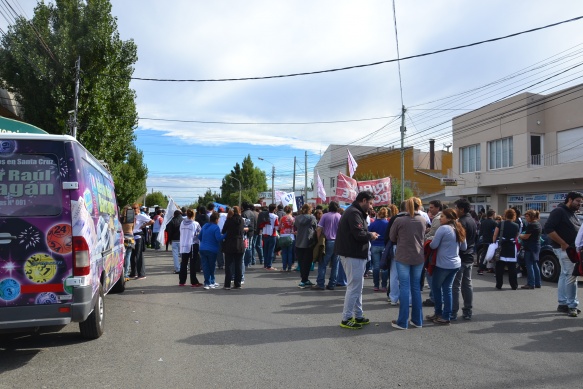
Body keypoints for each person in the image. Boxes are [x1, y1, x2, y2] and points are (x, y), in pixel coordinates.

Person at [334, 191, 379, 329]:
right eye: (370, 203)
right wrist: (370, 235)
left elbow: (359, 231)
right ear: (364, 200)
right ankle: (346, 318)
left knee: (357, 288)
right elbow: (359, 234)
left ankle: (358, 315)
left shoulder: (356, 212)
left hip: (355, 254)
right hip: (352, 254)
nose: (371, 206)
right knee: (354, 287)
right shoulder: (354, 213)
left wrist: (367, 215)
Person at [389, 197, 426, 330]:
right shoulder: (423, 220)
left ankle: (402, 321)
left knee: (404, 287)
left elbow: (392, 237)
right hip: (418, 256)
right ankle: (418, 320)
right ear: (418, 206)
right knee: (416, 288)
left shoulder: (400, 220)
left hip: (403, 255)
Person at [544, 191, 582, 317]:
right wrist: (563, 243)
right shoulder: (559, 211)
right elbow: (548, 229)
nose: (580, 204)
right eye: (578, 201)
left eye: (581, 202)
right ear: (569, 199)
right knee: (572, 276)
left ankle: (563, 303)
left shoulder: (572, 214)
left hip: (570, 249)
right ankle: (572, 305)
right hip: (565, 249)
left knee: (564, 275)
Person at [426, 209, 466, 326]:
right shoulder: (459, 228)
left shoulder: (443, 229)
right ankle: (446, 315)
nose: (440, 218)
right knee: (447, 289)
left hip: (443, 264)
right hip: (455, 263)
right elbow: (464, 247)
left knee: (436, 288)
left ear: (449, 218)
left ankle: (438, 313)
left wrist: (431, 239)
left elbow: (433, 245)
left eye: (442, 216)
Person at [452, 198, 477, 321]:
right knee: (467, 284)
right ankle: (468, 310)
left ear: (461, 209)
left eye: (456, 208)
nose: (455, 210)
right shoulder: (472, 220)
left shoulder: (460, 222)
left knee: (455, 285)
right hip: (470, 256)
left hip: (461, 256)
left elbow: (459, 242)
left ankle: (453, 311)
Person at [313, 201, 341, 290]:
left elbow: (319, 229)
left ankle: (320, 284)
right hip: (337, 242)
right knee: (335, 265)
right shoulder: (340, 216)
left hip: (327, 241)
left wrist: (319, 240)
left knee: (322, 263)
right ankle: (332, 284)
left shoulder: (325, 216)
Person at [492, 209, 521, 290]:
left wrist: (494, 243)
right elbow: (517, 236)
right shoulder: (516, 225)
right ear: (514, 216)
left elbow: (495, 234)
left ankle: (499, 284)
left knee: (499, 268)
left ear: (505, 215)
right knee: (512, 268)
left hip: (501, 246)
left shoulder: (501, 223)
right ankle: (514, 285)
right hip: (511, 247)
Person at [423, 200, 444, 306]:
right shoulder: (438, 219)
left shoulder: (437, 219)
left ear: (438, 208)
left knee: (430, 273)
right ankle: (435, 297)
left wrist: (425, 238)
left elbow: (433, 235)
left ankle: (435, 298)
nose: (430, 210)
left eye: (431, 207)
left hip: (434, 251)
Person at [199, 212, 226, 290]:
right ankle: (211, 281)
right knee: (211, 266)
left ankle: (207, 282)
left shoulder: (204, 226)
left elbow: (200, 237)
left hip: (202, 248)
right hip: (212, 249)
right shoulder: (216, 227)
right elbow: (218, 238)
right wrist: (225, 234)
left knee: (205, 266)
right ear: (216, 219)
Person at [222, 206, 246, 290]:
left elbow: (223, 231)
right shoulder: (242, 220)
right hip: (239, 243)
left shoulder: (229, 220)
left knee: (229, 264)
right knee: (238, 265)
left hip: (229, 243)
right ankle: (238, 283)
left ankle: (227, 284)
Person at [294, 203, 318, 288]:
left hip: (299, 241)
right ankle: (305, 279)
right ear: (309, 209)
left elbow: (296, 226)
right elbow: (316, 227)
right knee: (307, 262)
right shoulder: (312, 218)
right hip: (308, 242)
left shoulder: (297, 218)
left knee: (301, 262)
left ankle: (303, 279)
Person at [178, 209, 203, 287]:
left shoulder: (182, 223)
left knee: (184, 263)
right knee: (193, 264)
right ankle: (193, 281)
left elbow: (180, 231)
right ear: (193, 215)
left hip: (183, 244)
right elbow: (200, 233)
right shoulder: (195, 223)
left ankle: (182, 281)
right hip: (192, 244)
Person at [129, 203, 154, 279]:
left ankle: (142, 273)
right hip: (131, 236)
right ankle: (134, 272)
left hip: (138, 235)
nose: (134, 209)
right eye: (132, 208)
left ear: (138, 208)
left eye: (135, 208)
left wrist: (144, 225)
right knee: (132, 255)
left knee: (138, 254)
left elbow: (152, 221)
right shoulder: (131, 216)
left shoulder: (141, 216)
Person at [519, 210, 542, 289]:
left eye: (527, 216)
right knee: (535, 264)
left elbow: (526, 236)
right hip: (536, 246)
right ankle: (538, 283)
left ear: (532, 216)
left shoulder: (531, 225)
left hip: (530, 247)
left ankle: (531, 284)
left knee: (529, 265)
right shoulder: (538, 224)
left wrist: (519, 235)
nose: (526, 218)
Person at [368, 207, 389, 292]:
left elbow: (368, 233)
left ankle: (376, 285)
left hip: (374, 245)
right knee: (384, 267)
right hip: (384, 245)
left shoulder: (373, 224)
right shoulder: (387, 223)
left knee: (376, 266)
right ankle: (384, 285)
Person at [477, 210, 497, 275]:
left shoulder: (483, 222)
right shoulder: (494, 223)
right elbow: (495, 233)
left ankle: (480, 269)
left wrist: (479, 238)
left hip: (485, 240)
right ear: (492, 214)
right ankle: (494, 270)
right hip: (492, 241)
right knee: (494, 255)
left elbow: (481, 232)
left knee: (484, 254)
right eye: (495, 214)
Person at [259, 204, 279, 270]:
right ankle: (269, 265)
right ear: (274, 209)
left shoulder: (264, 215)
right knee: (271, 250)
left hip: (264, 234)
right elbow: (276, 227)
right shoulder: (275, 216)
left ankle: (265, 264)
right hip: (272, 234)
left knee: (265, 250)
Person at [165, 210, 184, 274]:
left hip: (175, 240)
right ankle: (184, 267)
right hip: (182, 240)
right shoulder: (184, 221)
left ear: (174, 214)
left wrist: (169, 239)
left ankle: (177, 269)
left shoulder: (172, 221)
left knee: (175, 255)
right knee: (183, 255)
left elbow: (169, 232)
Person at [279, 205, 295, 272]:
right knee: (290, 252)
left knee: (284, 252)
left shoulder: (282, 218)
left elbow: (280, 226)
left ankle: (284, 267)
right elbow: (294, 227)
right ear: (291, 211)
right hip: (291, 236)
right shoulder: (293, 218)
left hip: (283, 235)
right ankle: (290, 267)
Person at [242, 202, 257, 269]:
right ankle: (249, 262)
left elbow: (243, 224)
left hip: (246, 231)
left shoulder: (244, 213)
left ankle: (246, 262)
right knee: (250, 247)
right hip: (252, 231)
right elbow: (255, 222)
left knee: (246, 247)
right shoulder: (252, 213)